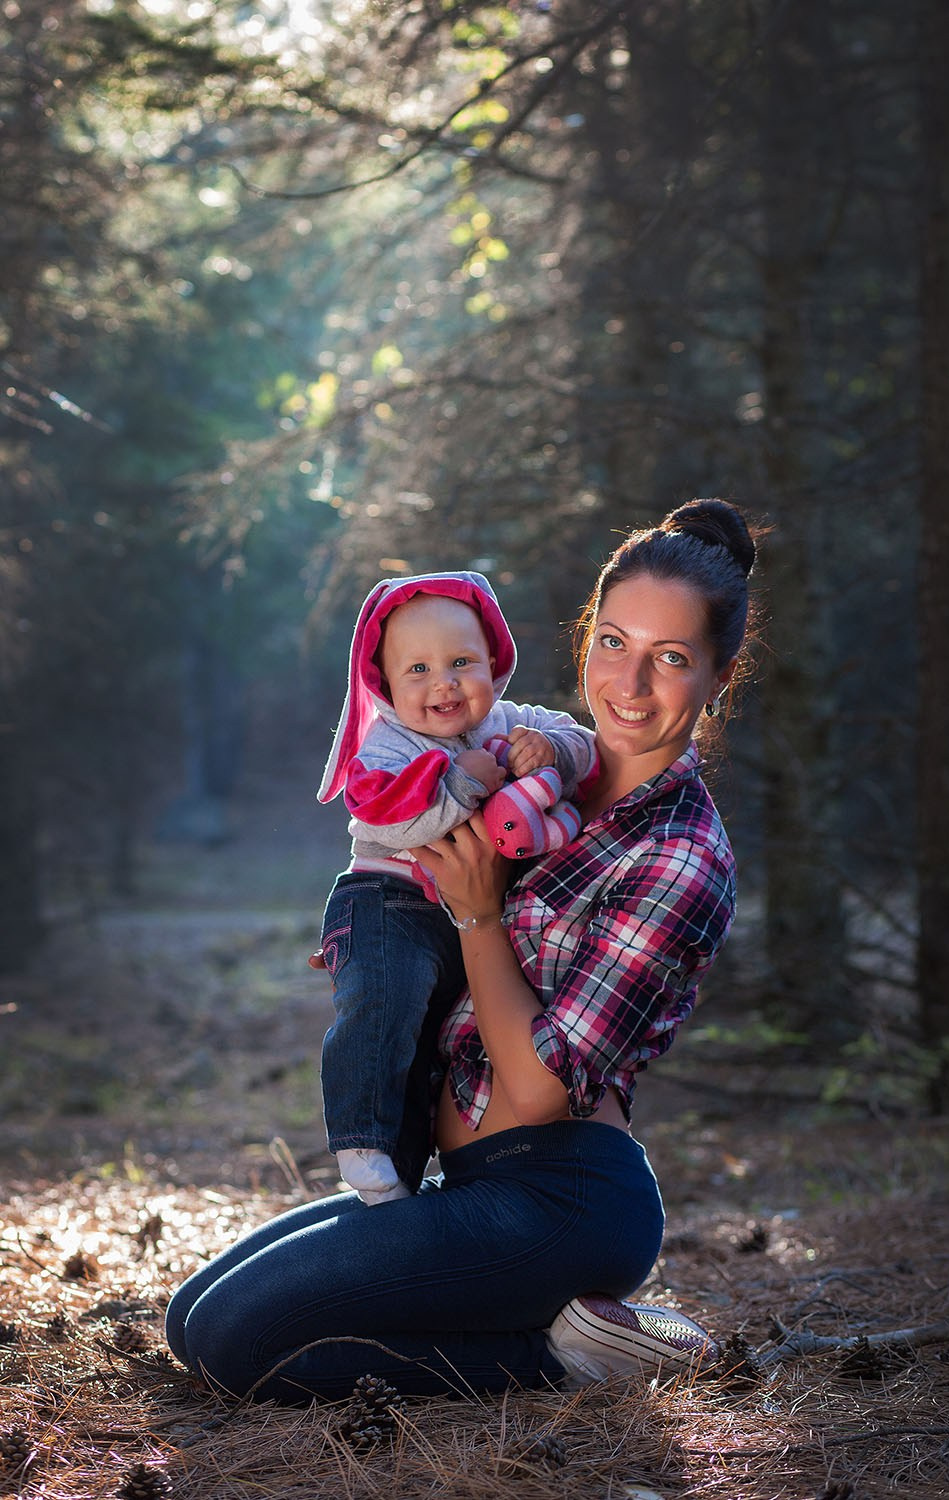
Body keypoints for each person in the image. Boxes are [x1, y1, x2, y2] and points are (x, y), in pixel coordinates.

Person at [165, 498, 758, 1404]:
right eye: (613, 642)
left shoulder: (681, 855)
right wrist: (376, 946)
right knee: (190, 1312)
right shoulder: (539, 762)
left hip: (560, 1200)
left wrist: (478, 917)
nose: (629, 684)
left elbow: (541, 1087)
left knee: (231, 1345)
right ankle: (532, 1323)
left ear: (719, 675)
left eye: (671, 658)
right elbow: (401, 832)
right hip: (466, 1180)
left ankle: (564, 1357)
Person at [312, 570, 597, 1204]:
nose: (443, 681)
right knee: (386, 1004)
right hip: (387, 903)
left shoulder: (511, 718)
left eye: (462, 661)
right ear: (385, 683)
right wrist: (464, 782)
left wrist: (551, 751)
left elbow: (588, 745)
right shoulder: (385, 744)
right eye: (417, 669)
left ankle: (402, 1181)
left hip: (461, 913)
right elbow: (390, 817)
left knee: (430, 1047)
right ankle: (361, 1137)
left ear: (495, 666)